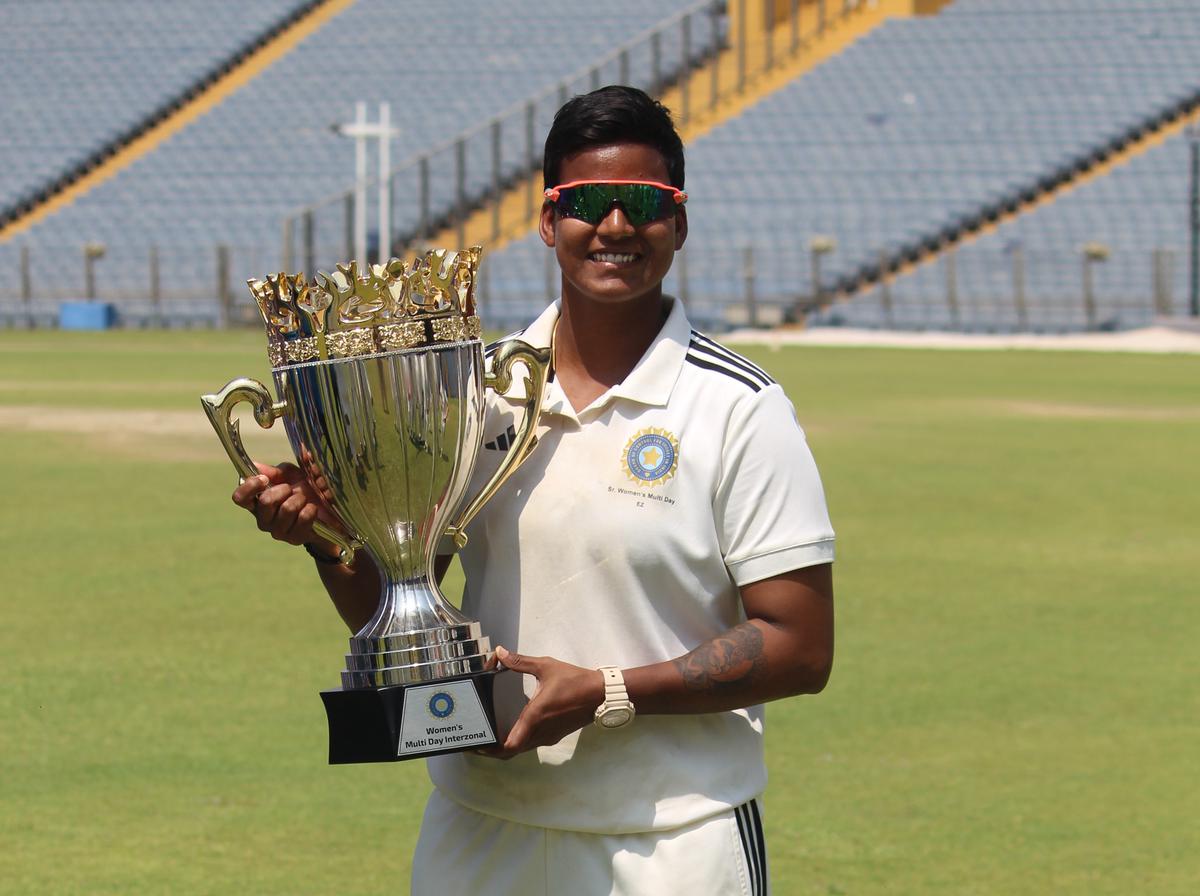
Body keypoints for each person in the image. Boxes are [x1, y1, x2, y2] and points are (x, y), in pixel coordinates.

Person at [232, 85, 835, 896]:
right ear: (549, 221)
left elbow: (801, 646)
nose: (615, 225)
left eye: (643, 203)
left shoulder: (738, 407)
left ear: (679, 224)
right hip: (483, 827)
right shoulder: (474, 392)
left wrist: (607, 693)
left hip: (671, 837)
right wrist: (328, 541)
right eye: (587, 201)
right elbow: (407, 604)